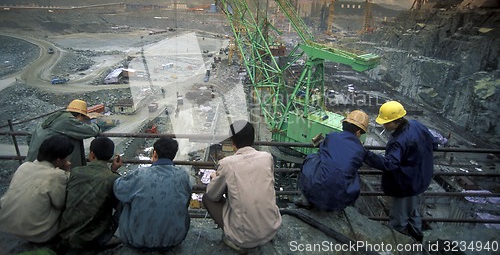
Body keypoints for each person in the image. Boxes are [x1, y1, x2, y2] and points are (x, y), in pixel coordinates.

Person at [202, 120, 282, 253]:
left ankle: (235, 242)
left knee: (207, 198)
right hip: (271, 229)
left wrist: (215, 178)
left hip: (244, 239)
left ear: (232, 142)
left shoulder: (227, 164)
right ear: (253, 139)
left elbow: (212, 195)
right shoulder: (267, 158)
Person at [364, 101, 437, 242]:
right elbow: (434, 143)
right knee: (413, 211)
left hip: (407, 184)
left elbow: (389, 164)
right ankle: (417, 239)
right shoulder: (417, 125)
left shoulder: (399, 141)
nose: (383, 125)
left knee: (399, 219)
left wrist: (366, 155)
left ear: (396, 121)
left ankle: (397, 244)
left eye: (386, 122)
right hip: (421, 178)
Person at [113, 138, 192, 251]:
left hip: (137, 241)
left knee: (125, 199)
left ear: (155, 153)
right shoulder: (183, 175)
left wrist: (114, 171)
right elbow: (186, 200)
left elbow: (118, 189)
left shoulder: (140, 174)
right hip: (174, 241)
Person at [0, 135, 73, 243]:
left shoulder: (24, 166)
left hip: (5, 226)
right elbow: (60, 203)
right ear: (58, 160)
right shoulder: (57, 175)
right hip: (36, 234)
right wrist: (67, 171)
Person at [296, 110, 369, 211]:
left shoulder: (332, 136)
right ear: (358, 132)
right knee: (352, 172)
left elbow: (323, 151)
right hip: (338, 202)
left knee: (313, 157)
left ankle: (304, 196)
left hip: (316, 192)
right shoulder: (360, 149)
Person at [58, 137, 123, 250]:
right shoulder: (113, 178)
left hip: (65, 234)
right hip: (90, 240)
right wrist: (113, 171)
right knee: (122, 203)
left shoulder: (75, 171)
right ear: (111, 156)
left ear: (92, 154)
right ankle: (106, 237)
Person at [26, 99, 100, 168]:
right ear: (80, 115)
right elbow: (92, 130)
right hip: (44, 166)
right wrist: (96, 124)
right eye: (83, 118)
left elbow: (29, 138)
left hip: (33, 163)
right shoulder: (67, 121)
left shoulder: (55, 118)